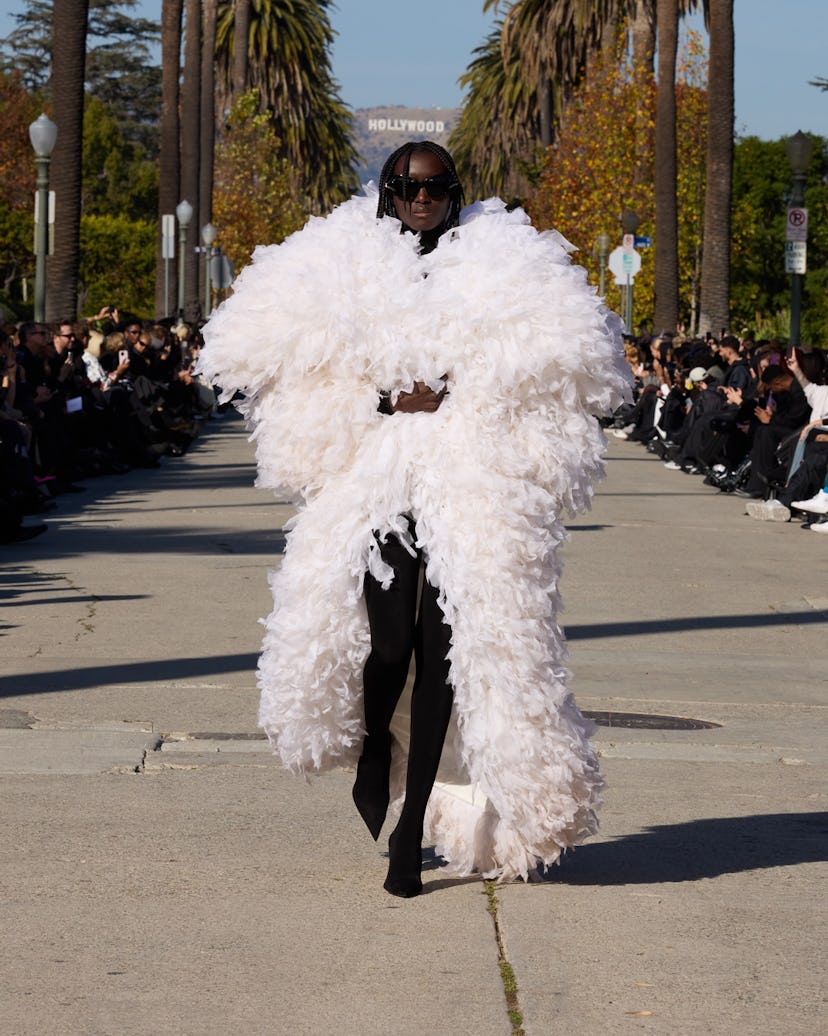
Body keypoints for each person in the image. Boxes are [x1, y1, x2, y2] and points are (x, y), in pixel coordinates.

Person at [199, 141, 630, 896]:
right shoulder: (338, 259)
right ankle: (375, 752)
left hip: (472, 485)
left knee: (447, 656)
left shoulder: (506, 261)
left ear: (454, 191)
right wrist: (384, 399)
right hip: (378, 481)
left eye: (433, 187)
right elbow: (285, 367)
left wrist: (464, 395)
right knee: (389, 644)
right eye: (405, 186)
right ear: (387, 193)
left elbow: (557, 371)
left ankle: (411, 829)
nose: (420, 199)